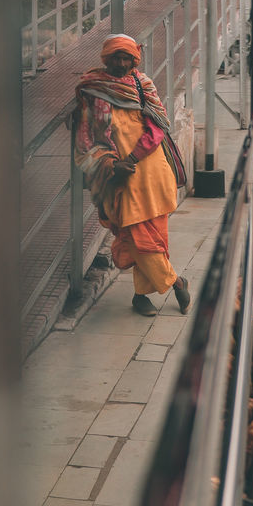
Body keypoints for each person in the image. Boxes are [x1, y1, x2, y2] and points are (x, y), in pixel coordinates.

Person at [74, 34, 191, 316]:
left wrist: (131, 158)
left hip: (151, 170)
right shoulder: (92, 88)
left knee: (155, 235)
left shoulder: (142, 84)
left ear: (134, 60)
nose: (122, 63)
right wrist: (111, 166)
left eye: (127, 58)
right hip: (120, 176)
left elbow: (158, 129)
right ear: (106, 58)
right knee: (137, 235)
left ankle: (141, 297)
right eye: (116, 57)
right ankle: (176, 282)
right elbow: (85, 138)